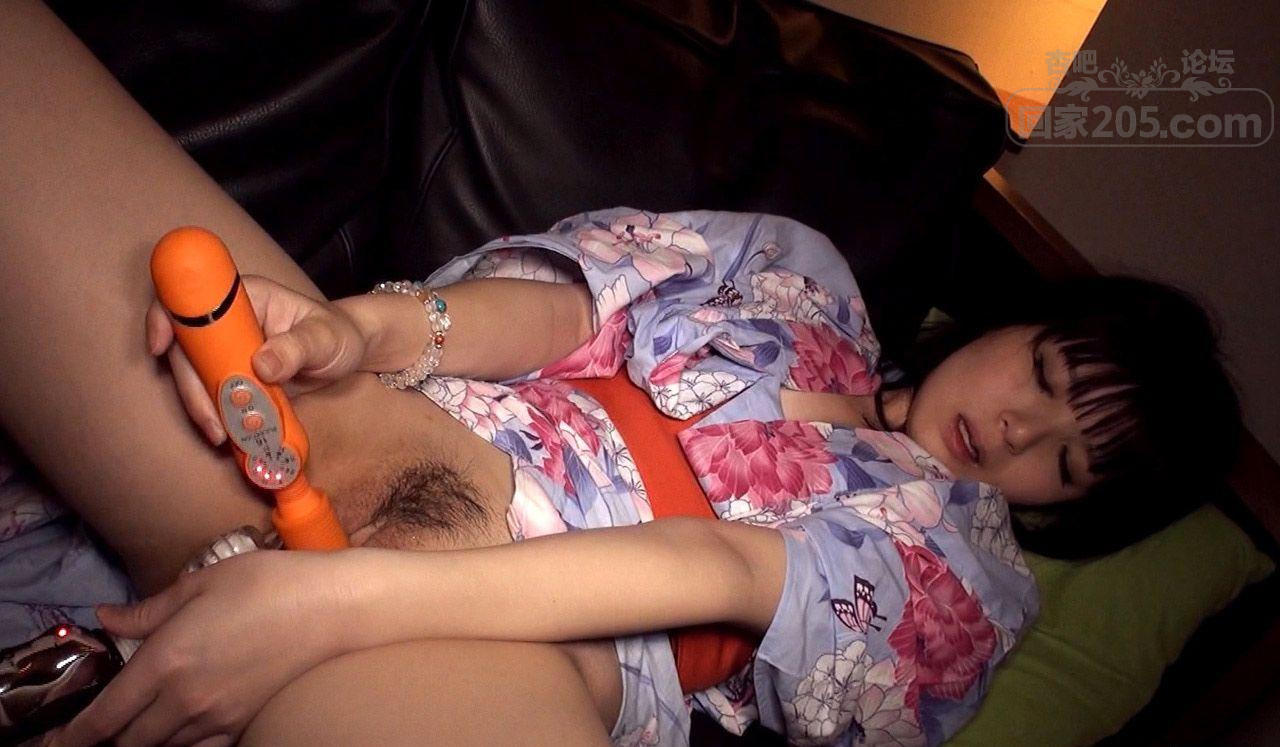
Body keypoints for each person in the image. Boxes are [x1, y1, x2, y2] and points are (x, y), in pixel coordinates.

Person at [0, 2, 1241, 746]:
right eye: (1044, 375)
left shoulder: (971, 572)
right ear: (1018, 323)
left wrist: (335, 603)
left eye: (1062, 460)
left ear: (1069, 511)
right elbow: (565, 312)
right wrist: (363, 332)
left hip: (524, 653)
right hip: (388, 440)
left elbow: (716, 569)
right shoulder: (804, 280)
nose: (1015, 428)